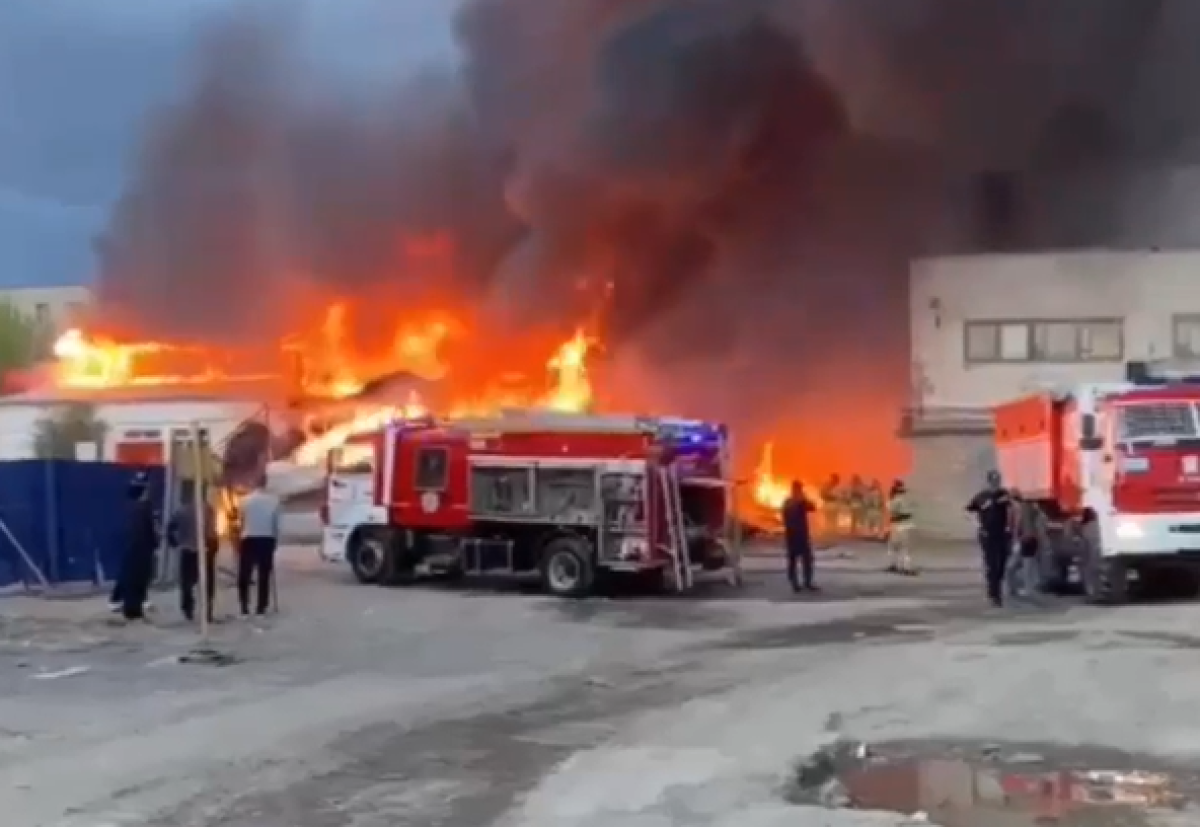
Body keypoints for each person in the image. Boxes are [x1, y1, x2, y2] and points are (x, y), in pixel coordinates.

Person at [170, 480, 219, 623]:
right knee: (208, 583)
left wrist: (174, 542)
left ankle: (187, 608)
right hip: (205, 551)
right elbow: (212, 533)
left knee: (186, 582)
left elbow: (171, 527)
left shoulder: (181, 510)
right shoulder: (208, 510)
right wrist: (214, 549)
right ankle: (207, 611)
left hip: (187, 550)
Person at [966, 470, 1014, 607]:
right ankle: (994, 594)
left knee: (1002, 564)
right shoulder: (982, 497)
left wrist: (1011, 528)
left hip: (1002, 534)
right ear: (989, 481)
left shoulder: (1004, 494)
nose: (995, 483)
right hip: (987, 534)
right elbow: (969, 510)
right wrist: (977, 525)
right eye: (993, 480)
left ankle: (996, 586)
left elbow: (1013, 510)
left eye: (997, 480)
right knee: (992, 564)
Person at [237, 476, 281, 616]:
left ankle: (244, 604)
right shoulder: (274, 501)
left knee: (245, 573)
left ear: (254, 483)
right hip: (267, 538)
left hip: (248, 538)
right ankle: (261, 606)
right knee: (264, 574)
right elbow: (277, 525)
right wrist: (276, 541)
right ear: (266, 484)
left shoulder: (244, 500)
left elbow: (241, 521)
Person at [120, 472, 159, 621]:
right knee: (138, 579)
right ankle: (133, 609)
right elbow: (146, 530)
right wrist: (154, 544)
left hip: (135, 550)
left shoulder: (133, 507)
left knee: (135, 579)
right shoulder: (142, 509)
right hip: (140, 550)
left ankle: (133, 608)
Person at [782, 480, 817, 593]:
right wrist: (803, 499)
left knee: (800, 560)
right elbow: (812, 507)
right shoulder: (796, 502)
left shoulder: (788, 502)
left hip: (794, 535)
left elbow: (812, 507)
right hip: (797, 535)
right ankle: (801, 583)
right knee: (800, 560)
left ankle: (799, 583)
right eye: (799, 489)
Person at [1005, 489, 1040, 599]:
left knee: (1020, 567)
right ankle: (1018, 590)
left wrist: (1016, 539)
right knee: (1022, 567)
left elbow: (1017, 526)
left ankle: (1024, 590)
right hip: (1028, 540)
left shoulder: (1020, 509)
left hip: (1025, 540)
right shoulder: (1028, 507)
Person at [886, 479, 916, 575]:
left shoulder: (897, 499)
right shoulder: (906, 498)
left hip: (899, 525)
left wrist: (890, 499)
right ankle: (905, 567)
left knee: (895, 547)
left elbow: (890, 508)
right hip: (905, 525)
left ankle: (898, 566)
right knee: (904, 548)